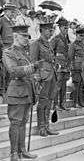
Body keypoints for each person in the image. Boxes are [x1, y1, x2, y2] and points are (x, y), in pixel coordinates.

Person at [2, 25, 38, 161]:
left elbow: (26, 71)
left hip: (27, 91)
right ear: (15, 36)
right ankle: (13, 154)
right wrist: (31, 68)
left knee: (23, 122)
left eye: (27, 36)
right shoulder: (8, 52)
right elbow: (13, 70)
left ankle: (22, 150)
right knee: (16, 123)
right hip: (16, 92)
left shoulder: (24, 53)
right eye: (24, 36)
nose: (26, 38)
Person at [30, 22, 59, 137]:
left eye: (51, 30)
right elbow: (33, 61)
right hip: (43, 76)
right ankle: (41, 127)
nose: (50, 32)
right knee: (42, 102)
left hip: (52, 75)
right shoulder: (36, 43)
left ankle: (47, 126)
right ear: (41, 30)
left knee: (49, 101)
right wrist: (36, 77)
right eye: (48, 30)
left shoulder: (49, 44)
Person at [50, 17, 70, 111]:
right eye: (64, 28)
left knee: (64, 87)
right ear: (60, 28)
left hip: (65, 66)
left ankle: (63, 104)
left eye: (67, 28)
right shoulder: (56, 39)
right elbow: (50, 52)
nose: (66, 30)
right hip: (58, 66)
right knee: (57, 86)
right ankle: (55, 105)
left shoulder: (67, 40)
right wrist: (55, 63)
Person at [0, 2, 17, 98]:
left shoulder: (12, 21)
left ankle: (8, 88)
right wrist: (1, 44)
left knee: (11, 69)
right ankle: (2, 89)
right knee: (4, 69)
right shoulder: (2, 20)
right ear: (6, 11)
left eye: (13, 12)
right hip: (5, 47)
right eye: (11, 11)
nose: (12, 13)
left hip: (12, 47)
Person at [68, 27, 84, 108]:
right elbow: (70, 57)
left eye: (83, 35)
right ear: (76, 35)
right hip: (76, 68)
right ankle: (75, 102)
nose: (81, 37)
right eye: (80, 35)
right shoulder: (73, 45)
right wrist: (72, 68)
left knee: (82, 86)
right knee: (77, 86)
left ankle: (81, 101)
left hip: (83, 68)